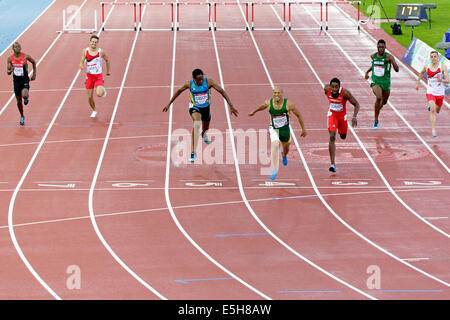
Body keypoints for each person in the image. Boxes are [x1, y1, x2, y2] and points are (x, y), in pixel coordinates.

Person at [163, 68, 238, 163]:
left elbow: (222, 91)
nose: (201, 81)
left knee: (205, 127)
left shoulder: (209, 82)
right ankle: (193, 152)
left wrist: (230, 105)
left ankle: (204, 134)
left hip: (206, 108)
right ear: (194, 79)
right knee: (197, 123)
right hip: (195, 107)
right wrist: (169, 103)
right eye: (199, 80)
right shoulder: (189, 84)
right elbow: (178, 92)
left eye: (202, 79)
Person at [248, 86, 306, 180]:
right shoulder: (269, 103)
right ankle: (274, 169)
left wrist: (303, 129)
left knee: (286, 148)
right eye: (275, 93)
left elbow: (299, 115)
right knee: (275, 145)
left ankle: (284, 155)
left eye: (278, 93)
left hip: (285, 130)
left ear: (282, 94)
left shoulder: (288, 104)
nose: (276, 95)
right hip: (274, 128)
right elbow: (262, 107)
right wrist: (253, 112)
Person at [323, 78, 360, 173]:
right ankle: (332, 164)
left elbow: (356, 104)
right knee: (332, 136)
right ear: (330, 87)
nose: (334, 89)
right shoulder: (326, 89)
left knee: (343, 136)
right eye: (332, 87)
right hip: (332, 115)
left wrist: (354, 116)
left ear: (339, 87)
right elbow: (326, 90)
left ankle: (340, 130)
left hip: (342, 116)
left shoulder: (345, 93)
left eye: (336, 87)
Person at [364, 39, 399, 130]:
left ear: (385, 48)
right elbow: (373, 66)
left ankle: (380, 106)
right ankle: (376, 120)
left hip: (386, 83)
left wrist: (392, 61)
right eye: (379, 47)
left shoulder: (388, 57)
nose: (381, 49)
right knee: (379, 97)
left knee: (384, 102)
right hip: (376, 81)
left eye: (382, 47)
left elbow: (397, 69)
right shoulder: (373, 56)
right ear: (377, 47)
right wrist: (367, 73)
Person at [415, 50, 449, 137]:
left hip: (440, 93)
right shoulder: (427, 66)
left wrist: (441, 80)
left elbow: (448, 80)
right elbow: (421, 73)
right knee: (433, 110)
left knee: (437, 110)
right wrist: (418, 82)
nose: (433, 58)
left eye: (435, 56)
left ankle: (432, 106)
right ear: (430, 58)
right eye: (432, 57)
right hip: (430, 91)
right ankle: (433, 130)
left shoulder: (442, 67)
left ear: (438, 58)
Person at [79, 35, 110, 118]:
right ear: (90, 42)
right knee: (89, 97)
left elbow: (107, 60)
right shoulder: (85, 51)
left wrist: (108, 71)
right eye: (92, 42)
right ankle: (94, 110)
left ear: (97, 43)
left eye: (95, 42)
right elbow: (82, 60)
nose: (94, 43)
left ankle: (103, 91)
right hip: (89, 77)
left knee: (99, 94)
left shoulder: (101, 52)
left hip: (98, 77)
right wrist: (81, 65)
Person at [6, 42, 36, 125]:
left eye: (19, 47)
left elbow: (33, 62)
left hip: (25, 80)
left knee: (25, 95)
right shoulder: (10, 59)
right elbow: (8, 72)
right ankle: (22, 116)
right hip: (16, 82)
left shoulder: (25, 56)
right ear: (13, 49)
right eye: (16, 47)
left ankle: (26, 98)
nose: (18, 48)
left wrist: (34, 74)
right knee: (19, 101)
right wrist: (10, 70)